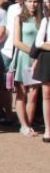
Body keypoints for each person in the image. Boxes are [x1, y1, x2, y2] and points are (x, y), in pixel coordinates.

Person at [11, 0, 42, 136]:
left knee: (33, 94)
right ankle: (23, 125)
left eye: (35, 1)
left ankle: (28, 125)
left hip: (38, 60)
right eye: (30, 1)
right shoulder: (19, 18)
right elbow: (17, 42)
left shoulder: (42, 19)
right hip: (25, 59)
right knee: (22, 93)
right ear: (25, 2)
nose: (33, 4)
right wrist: (33, 52)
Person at [32, 12, 50, 142]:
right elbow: (38, 43)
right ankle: (48, 129)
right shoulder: (46, 20)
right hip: (47, 58)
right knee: (46, 94)